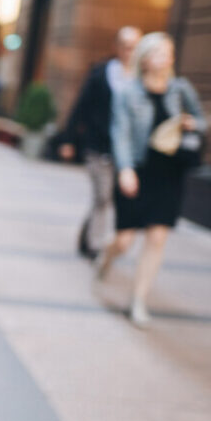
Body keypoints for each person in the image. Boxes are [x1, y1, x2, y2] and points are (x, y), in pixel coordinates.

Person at [95, 32, 205, 328]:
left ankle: (138, 301)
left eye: (169, 52)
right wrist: (125, 169)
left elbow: (202, 120)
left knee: (157, 239)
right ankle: (106, 257)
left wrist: (192, 123)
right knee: (125, 239)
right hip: (138, 170)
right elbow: (121, 133)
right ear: (144, 58)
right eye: (159, 52)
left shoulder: (181, 90)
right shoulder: (128, 93)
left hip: (168, 172)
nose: (166, 58)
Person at [59, 26, 141, 259]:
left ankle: (87, 235)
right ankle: (95, 245)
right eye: (125, 46)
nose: (129, 52)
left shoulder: (140, 79)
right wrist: (69, 140)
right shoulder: (101, 73)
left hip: (126, 151)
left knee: (104, 199)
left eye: (134, 47)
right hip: (98, 146)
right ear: (116, 47)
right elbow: (81, 107)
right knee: (103, 196)